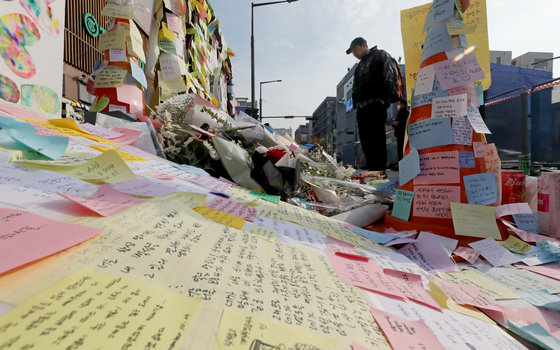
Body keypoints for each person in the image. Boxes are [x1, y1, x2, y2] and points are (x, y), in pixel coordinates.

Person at [347, 37, 393, 172]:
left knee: (377, 141)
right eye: (353, 52)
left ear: (364, 45)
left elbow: (390, 75)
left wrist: (384, 98)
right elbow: (355, 87)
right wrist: (356, 104)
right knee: (366, 142)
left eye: (355, 50)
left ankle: (379, 173)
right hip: (362, 108)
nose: (354, 54)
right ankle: (372, 173)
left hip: (376, 105)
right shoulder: (359, 66)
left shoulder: (380, 55)